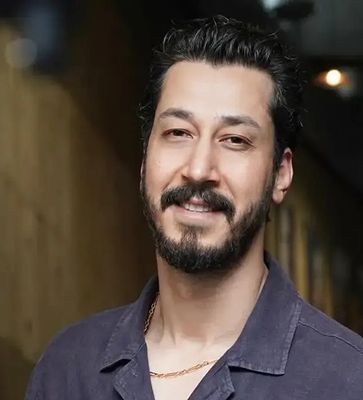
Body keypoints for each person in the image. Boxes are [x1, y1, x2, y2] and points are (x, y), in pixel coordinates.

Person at [25, 15, 363, 400]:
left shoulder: (346, 380)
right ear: (145, 158)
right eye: (178, 133)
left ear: (281, 174)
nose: (199, 170)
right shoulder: (69, 370)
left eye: (235, 140)